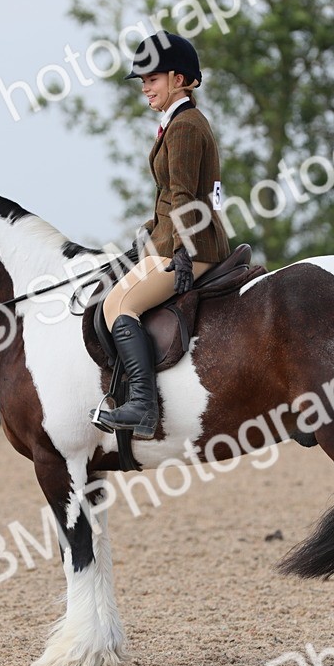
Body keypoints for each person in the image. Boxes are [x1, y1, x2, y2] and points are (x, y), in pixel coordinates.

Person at [90, 31, 231, 438]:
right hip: (171, 238)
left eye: (152, 80)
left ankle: (143, 407)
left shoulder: (185, 126)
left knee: (120, 307)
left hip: (192, 243)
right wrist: (146, 238)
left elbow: (185, 197)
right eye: (143, 81)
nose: (145, 88)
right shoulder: (177, 123)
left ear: (180, 80)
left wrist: (183, 251)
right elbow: (169, 200)